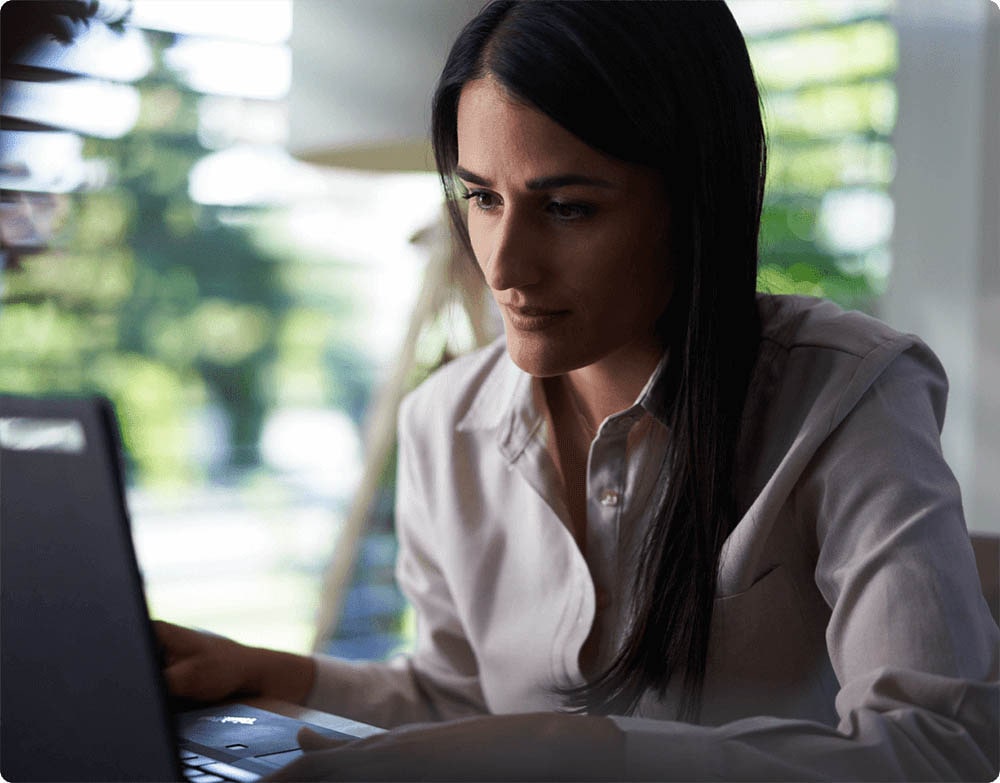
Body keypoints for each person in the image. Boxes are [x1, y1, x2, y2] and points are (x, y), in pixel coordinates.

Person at [156, 1, 1000, 779]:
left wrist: (590, 749)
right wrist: (270, 672)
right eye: (482, 198)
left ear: (694, 199)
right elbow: (460, 704)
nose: (504, 267)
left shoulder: (851, 395)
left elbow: (938, 748)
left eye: (565, 208)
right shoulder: (441, 422)